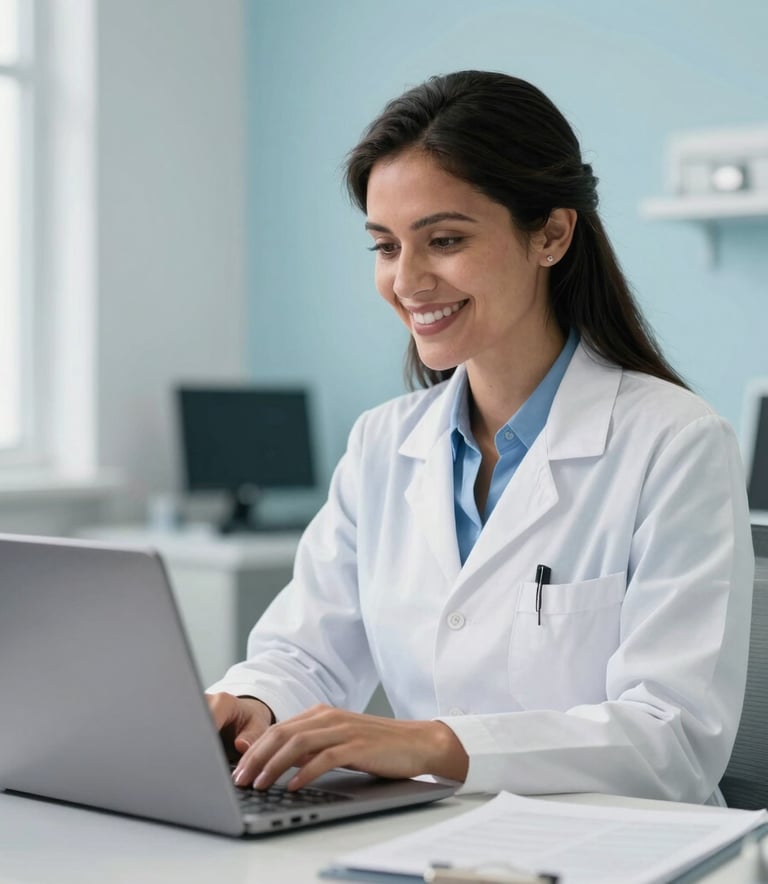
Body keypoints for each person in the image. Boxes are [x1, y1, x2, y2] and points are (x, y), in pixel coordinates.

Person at [206, 70, 753, 804]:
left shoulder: (677, 443)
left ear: (552, 235)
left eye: (446, 239)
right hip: (428, 844)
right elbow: (303, 651)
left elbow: (674, 738)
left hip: (615, 854)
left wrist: (435, 744)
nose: (408, 279)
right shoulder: (382, 444)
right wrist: (255, 703)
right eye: (386, 246)